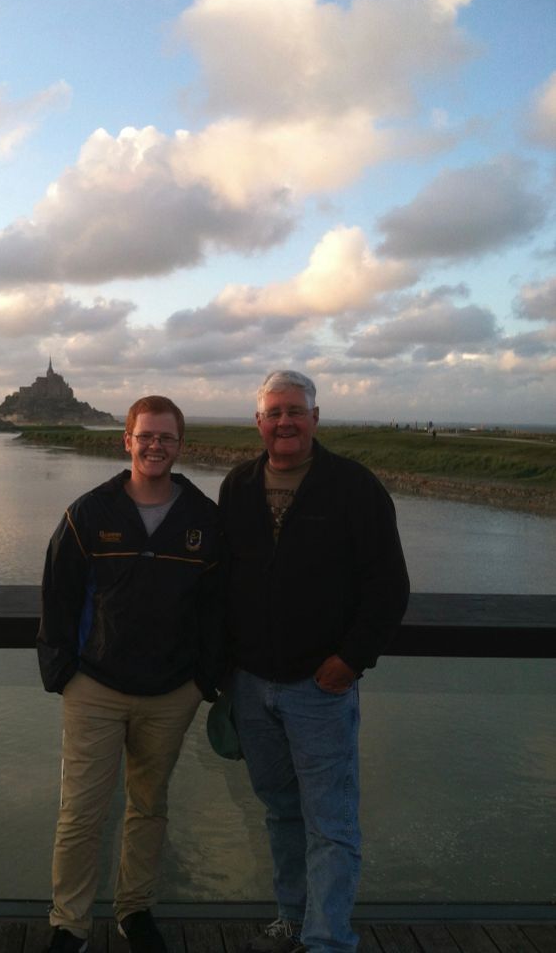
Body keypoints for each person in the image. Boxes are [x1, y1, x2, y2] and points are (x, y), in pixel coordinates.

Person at [219, 371, 409, 953]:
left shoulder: (353, 486)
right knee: (280, 812)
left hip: (320, 688)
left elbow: (388, 585)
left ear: (315, 418)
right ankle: (292, 920)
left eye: (295, 411)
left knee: (330, 822)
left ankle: (326, 940)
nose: (284, 422)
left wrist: (350, 660)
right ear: (258, 423)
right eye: (274, 412)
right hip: (252, 685)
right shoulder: (238, 486)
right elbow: (223, 581)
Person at [37, 395, 221, 953]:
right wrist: (62, 671)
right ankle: (69, 923)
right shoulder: (89, 512)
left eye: (166, 437)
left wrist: (204, 679)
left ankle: (134, 910)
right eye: (146, 436)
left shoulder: (204, 519)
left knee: (149, 806)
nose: (156, 446)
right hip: (94, 686)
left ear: (180, 445)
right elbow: (58, 593)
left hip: (171, 692)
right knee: (80, 812)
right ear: (128, 440)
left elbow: (218, 606)